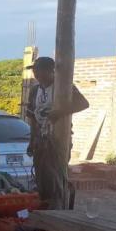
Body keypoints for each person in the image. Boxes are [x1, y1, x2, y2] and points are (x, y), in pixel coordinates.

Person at [25, 56, 89, 209]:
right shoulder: (34, 90)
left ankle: (59, 209)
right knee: (41, 177)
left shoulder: (63, 87)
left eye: (38, 70)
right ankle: (44, 208)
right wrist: (32, 140)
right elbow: (32, 117)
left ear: (50, 71)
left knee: (56, 176)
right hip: (40, 140)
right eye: (34, 71)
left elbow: (83, 103)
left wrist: (60, 112)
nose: (36, 74)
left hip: (58, 139)